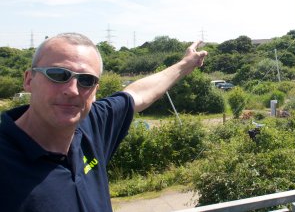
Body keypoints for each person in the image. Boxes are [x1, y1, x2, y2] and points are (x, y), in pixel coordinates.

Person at [0, 32, 207, 212]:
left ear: (96, 91)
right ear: (28, 80)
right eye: (58, 75)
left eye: (86, 80)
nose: (72, 90)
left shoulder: (92, 125)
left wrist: (186, 64)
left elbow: (139, 94)